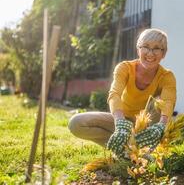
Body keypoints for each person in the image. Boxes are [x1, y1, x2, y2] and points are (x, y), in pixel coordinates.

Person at [68, 28, 177, 158]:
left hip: (147, 128)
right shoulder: (125, 68)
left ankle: (140, 148)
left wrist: (161, 125)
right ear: (138, 50)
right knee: (76, 123)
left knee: (159, 101)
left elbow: (168, 101)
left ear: (163, 53)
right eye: (146, 47)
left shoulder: (167, 76)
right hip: (122, 121)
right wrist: (119, 122)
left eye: (157, 48)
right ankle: (127, 149)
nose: (150, 53)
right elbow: (114, 94)